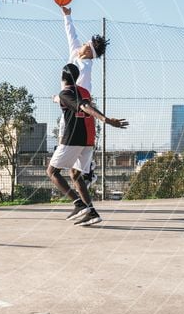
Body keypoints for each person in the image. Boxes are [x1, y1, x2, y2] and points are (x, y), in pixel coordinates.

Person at [47, 64, 128, 226]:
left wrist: (106, 120)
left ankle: (79, 204)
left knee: (52, 172)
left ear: (62, 78)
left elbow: (83, 106)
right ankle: (91, 213)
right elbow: (78, 102)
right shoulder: (83, 91)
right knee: (75, 175)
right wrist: (56, 98)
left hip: (73, 139)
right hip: (89, 139)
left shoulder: (65, 94)